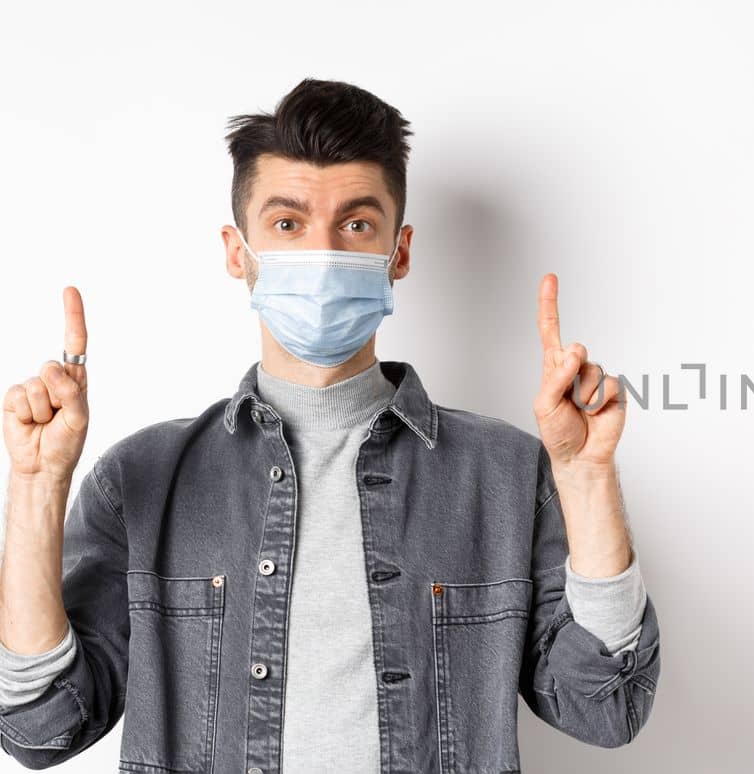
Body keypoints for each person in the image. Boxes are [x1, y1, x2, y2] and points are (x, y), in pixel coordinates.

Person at [0, 78, 660, 772]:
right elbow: (41, 727)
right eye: (287, 224)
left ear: (398, 252)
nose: (323, 253)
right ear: (237, 252)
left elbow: (606, 709)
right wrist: (37, 486)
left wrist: (587, 481)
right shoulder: (141, 479)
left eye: (356, 224)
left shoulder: (506, 474)